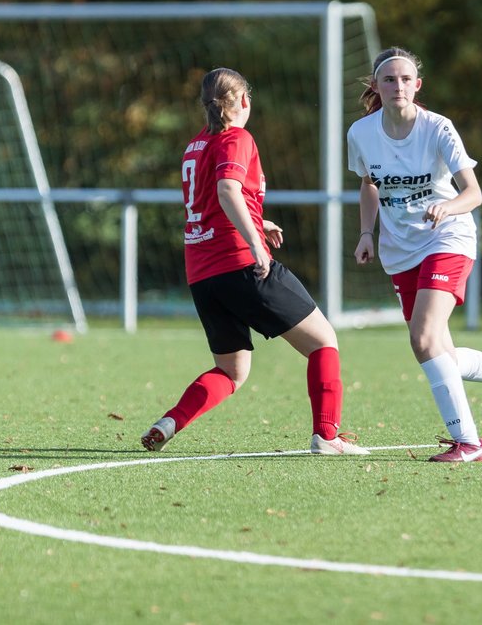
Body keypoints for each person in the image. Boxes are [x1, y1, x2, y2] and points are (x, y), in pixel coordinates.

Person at [141, 67, 368, 456]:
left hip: (203, 274)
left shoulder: (195, 145)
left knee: (231, 371)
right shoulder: (238, 137)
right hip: (241, 263)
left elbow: (210, 202)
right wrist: (256, 243)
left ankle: (170, 421)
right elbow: (228, 190)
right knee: (324, 342)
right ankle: (327, 436)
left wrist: (258, 220)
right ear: (244, 100)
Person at [348, 47, 482, 463]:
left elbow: (473, 193)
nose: (397, 86)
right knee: (443, 353)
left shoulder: (438, 128)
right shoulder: (361, 133)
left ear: (417, 86)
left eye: (405, 79)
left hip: (447, 236)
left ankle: (469, 443)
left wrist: (447, 207)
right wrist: (367, 232)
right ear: (377, 87)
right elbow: (369, 184)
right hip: (399, 250)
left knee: (422, 339)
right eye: (389, 79)